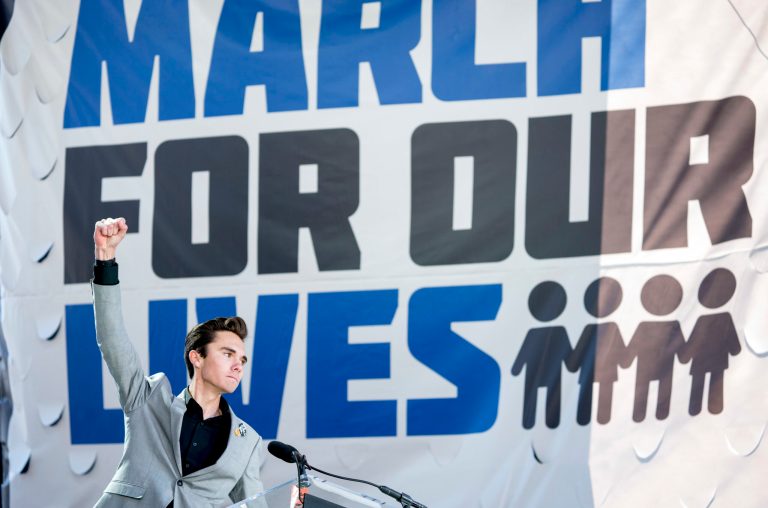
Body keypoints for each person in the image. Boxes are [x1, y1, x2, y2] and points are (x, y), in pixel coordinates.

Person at [90, 217, 264, 507]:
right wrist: (105, 259)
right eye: (227, 354)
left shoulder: (247, 442)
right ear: (197, 357)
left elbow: (256, 504)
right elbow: (112, 339)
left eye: (242, 360)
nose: (238, 365)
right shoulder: (147, 400)